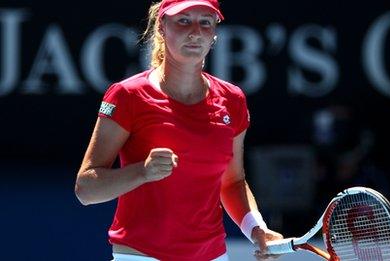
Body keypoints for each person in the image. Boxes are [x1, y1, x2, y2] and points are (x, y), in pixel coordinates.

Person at [74, 0, 283, 260]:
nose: (195, 31)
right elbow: (86, 190)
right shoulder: (127, 95)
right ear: (162, 27)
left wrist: (257, 229)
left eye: (205, 22)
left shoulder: (233, 99)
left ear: (214, 33)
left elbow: (232, 182)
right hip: (141, 255)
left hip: (212, 255)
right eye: (183, 21)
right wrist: (143, 172)